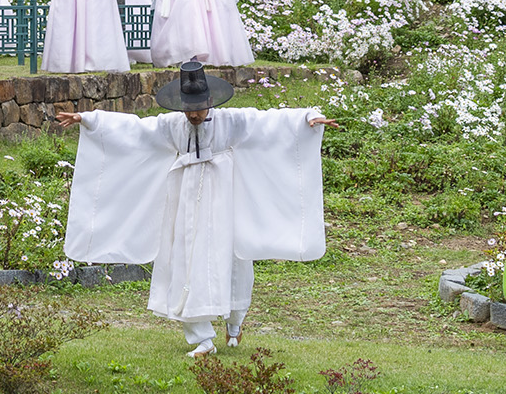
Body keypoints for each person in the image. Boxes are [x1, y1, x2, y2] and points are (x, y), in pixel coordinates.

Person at [57, 61, 337, 356]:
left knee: (233, 257)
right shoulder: (173, 125)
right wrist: (89, 120)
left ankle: (235, 323)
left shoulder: (231, 121)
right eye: (188, 108)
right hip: (187, 199)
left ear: (210, 101)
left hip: (226, 197)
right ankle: (202, 338)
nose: (193, 115)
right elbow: (136, 129)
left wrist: (308, 118)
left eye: (199, 108)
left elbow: (268, 123)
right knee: (186, 261)